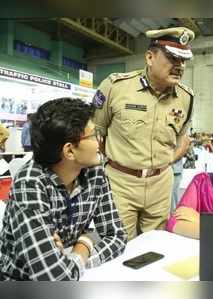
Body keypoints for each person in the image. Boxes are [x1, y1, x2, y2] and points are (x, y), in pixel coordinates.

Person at [0, 98, 127, 280]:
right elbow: (54, 278)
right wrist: (87, 241)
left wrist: (82, 247)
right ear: (69, 151)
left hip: (73, 271)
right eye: (93, 135)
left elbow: (117, 236)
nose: (99, 142)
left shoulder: (95, 173)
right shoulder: (31, 182)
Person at [93, 27, 196, 240]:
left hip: (161, 183)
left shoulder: (186, 97)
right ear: (150, 57)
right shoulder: (116, 87)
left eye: (183, 60)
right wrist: (120, 163)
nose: (180, 66)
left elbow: (181, 140)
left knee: (156, 247)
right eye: (172, 58)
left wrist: (166, 162)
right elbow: (96, 134)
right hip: (121, 182)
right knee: (119, 244)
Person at [171, 135, 191, 213]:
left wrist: (170, 161)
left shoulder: (182, 137)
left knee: (173, 194)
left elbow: (183, 151)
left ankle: (174, 215)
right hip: (166, 170)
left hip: (175, 171)